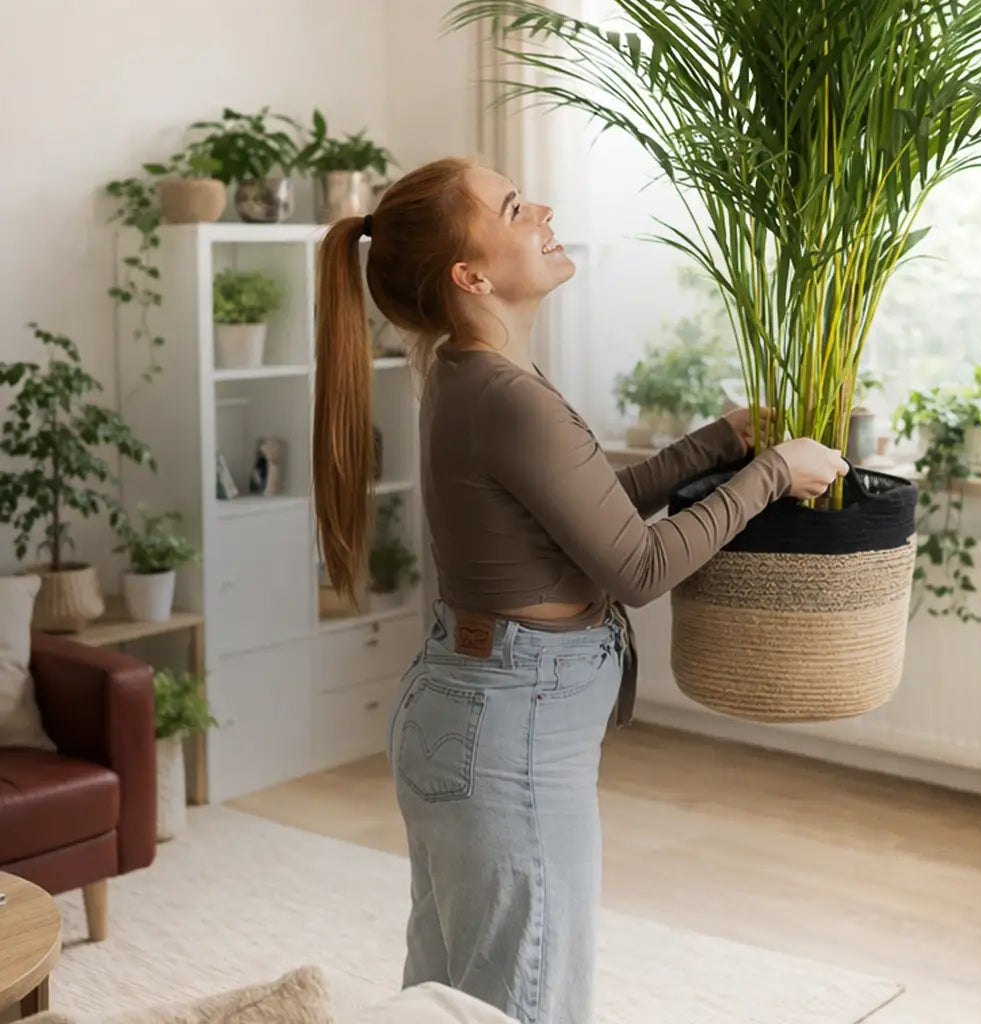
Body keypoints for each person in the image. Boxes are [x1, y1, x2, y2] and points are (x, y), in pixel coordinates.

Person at [312, 157, 848, 1024]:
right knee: (525, 1005)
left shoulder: (468, 374)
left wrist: (717, 444)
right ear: (471, 275)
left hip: (472, 712)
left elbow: (586, 505)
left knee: (453, 1003)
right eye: (517, 207)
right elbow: (636, 567)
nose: (546, 210)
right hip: (508, 735)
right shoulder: (506, 396)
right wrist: (774, 474)